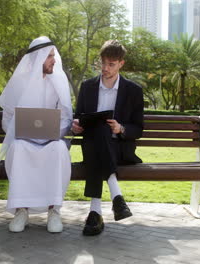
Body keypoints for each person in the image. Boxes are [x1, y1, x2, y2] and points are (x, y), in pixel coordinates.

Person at [0, 36, 73, 233]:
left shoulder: (59, 81)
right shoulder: (19, 83)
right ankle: (21, 210)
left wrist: (55, 131)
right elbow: (7, 119)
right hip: (23, 140)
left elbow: (65, 117)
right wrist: (21, 129)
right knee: (19, 148)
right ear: (36, 58)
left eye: (53, 56)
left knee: (58, 149)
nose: (53, 60)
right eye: (49, 56)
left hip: (51, 141)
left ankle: (53, 210)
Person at [71, 40, 144, 236]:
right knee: (99, 131)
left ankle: (95, 213)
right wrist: (76, 126)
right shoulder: (88, 87)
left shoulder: (133, 91)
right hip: (94, 145)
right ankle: (117, 198)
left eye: (111, 64)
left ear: (121, 63)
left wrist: (121, 128)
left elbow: (138, 129)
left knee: (101, 133)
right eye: (102, 63)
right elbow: (79, 117)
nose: (105, 68)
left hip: (119, 149)